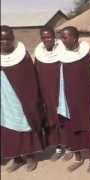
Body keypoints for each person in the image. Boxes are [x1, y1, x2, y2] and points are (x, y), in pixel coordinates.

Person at [1, 25, 43, 172]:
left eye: (7, 38)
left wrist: (32, 99)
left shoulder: (22, 55)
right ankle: (17, 158)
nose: (4, 42)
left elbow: (31, 78)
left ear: (13, 39)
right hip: (4, 101)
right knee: (7, 129)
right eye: (1, 39)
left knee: (25, 125)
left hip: (22, 100)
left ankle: (30, 156)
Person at [58, 26, 90, 171]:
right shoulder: (62, 55)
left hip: (86, 98)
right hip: (69, 98)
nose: (62, 40)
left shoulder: (87, 54)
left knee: (88, 127)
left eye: (65, 37)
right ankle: (78, 157)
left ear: (75, 38)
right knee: (71, 127)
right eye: (62, 37)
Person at [34, 27, 66, 161]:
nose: (47, 39)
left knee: (64, 118)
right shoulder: (39, 55)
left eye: (49, 37)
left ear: (54, 37)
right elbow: (36, 73)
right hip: (46, 94)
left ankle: (69, 146)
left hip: (61, 92)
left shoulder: (62, 52)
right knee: (51, 120)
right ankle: (58, 147)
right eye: (44, 37)